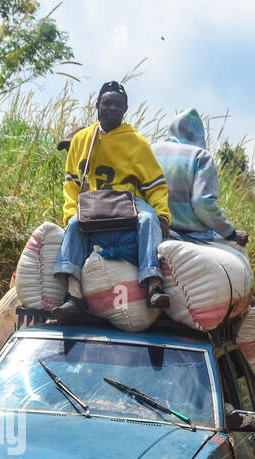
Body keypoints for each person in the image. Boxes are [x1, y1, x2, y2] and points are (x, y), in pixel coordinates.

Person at [52, 81, 172, 316]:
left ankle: (153, 285)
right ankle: (73, 294)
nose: (112, 109)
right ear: (97, 105)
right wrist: (69, 212)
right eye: (107, 103)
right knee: (75, 224)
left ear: (126, 108)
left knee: (148, 220)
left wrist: (163, 215)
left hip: (127, 200)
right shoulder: (81, 139)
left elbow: (156, 185)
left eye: (118, 104)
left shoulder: (136, 142)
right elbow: (71, 183)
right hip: (95, 201)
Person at [152, 108, 248, 247]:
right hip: (192, 236)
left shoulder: (151, 150)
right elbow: (202, 203)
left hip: (155, 229)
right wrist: (231, 233)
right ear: (200, 134)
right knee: (239, 249)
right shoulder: (200, 156)